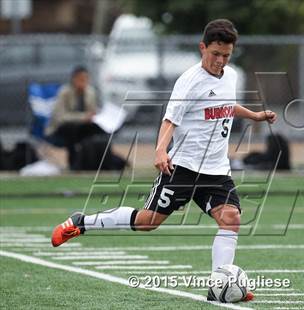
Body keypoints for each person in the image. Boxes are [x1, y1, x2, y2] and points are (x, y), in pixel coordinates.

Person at [51, 19, 276, 301]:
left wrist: (253, 115)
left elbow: (226, 105)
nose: (220, 61)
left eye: (226, 56)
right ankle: (82, 222)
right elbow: (170, 120)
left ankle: (219, 287)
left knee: (231, 219)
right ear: (202, 48)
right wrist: (160, 150)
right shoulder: (189, 81)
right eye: (215, 54)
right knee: (148, 222)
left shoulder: (229, 76)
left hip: (217, 169)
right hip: (182, 167)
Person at [45, 65, 106, 169]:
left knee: (99, 129)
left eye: (86, 79)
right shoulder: (64, 92)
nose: (83, 82)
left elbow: (92, 112)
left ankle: (98, 161)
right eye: (80, 79)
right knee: (71, 129)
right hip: (61, 129)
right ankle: (73, 164)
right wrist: (83, 117)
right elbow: (61, 117)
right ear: (74, 79)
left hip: (83, 128)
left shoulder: (90, 92)